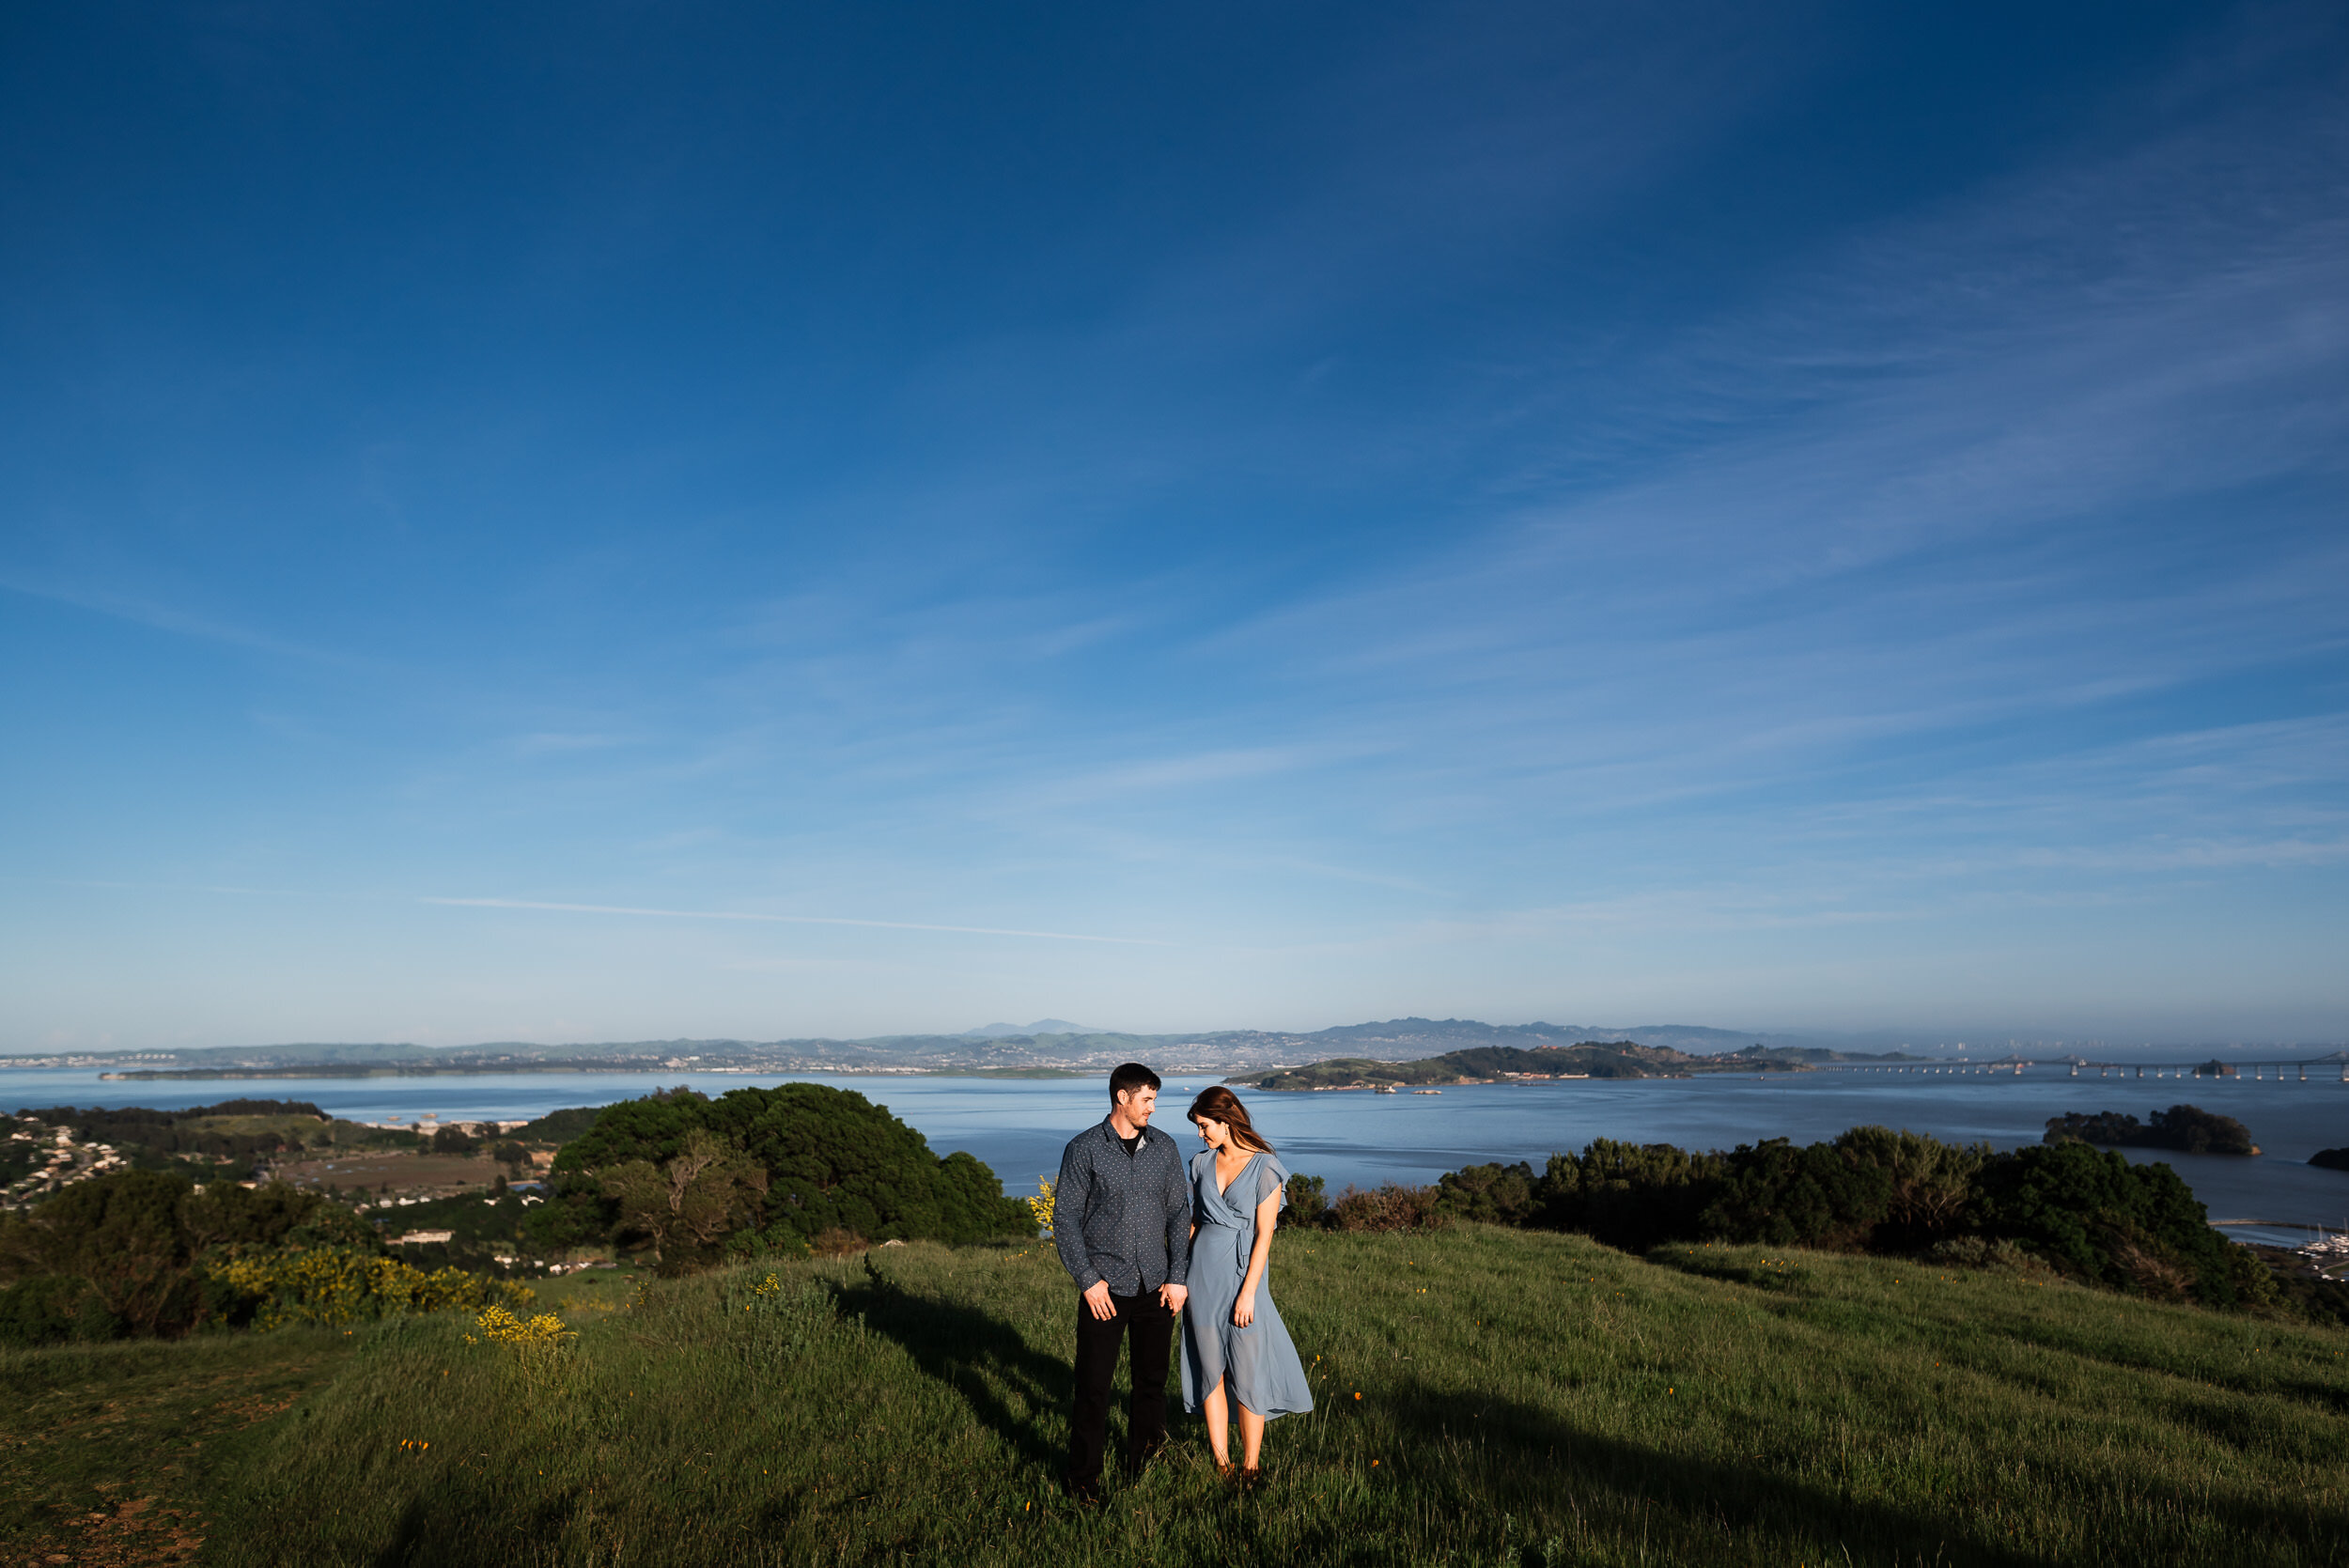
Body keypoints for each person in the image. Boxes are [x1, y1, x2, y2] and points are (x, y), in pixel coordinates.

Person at [1051, 1062, 1191, 1503]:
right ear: (1122, 1098)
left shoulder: (1165, 1149)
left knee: (1151, 1384)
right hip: (1104, 1290)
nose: (1153, 1107)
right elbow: (1066, 1219)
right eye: (1146, 1099)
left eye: (1154, 1099)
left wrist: (1178, 1278)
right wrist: (1088, 1281)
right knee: (1093, 1389)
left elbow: (1178, 1215)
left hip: (1157, 1287)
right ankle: (1083, 1485)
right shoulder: (1084, 1149)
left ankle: (1145, 1470)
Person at [1180, 1085, 1313, 1485]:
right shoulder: (1200, 1163)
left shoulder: (1265, 1166)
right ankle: (1221, 1464)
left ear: (1226, 1120)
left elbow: (1264, 1236)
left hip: (1243, 1278)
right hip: (1200, 1275)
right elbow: (1193, 1223)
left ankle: (1251, 1466)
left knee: (1248, 1372)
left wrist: (1249, 1291)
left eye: (1205, 1126)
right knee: (1211, 1372)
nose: (1201, 1134)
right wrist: (1176, 1276)